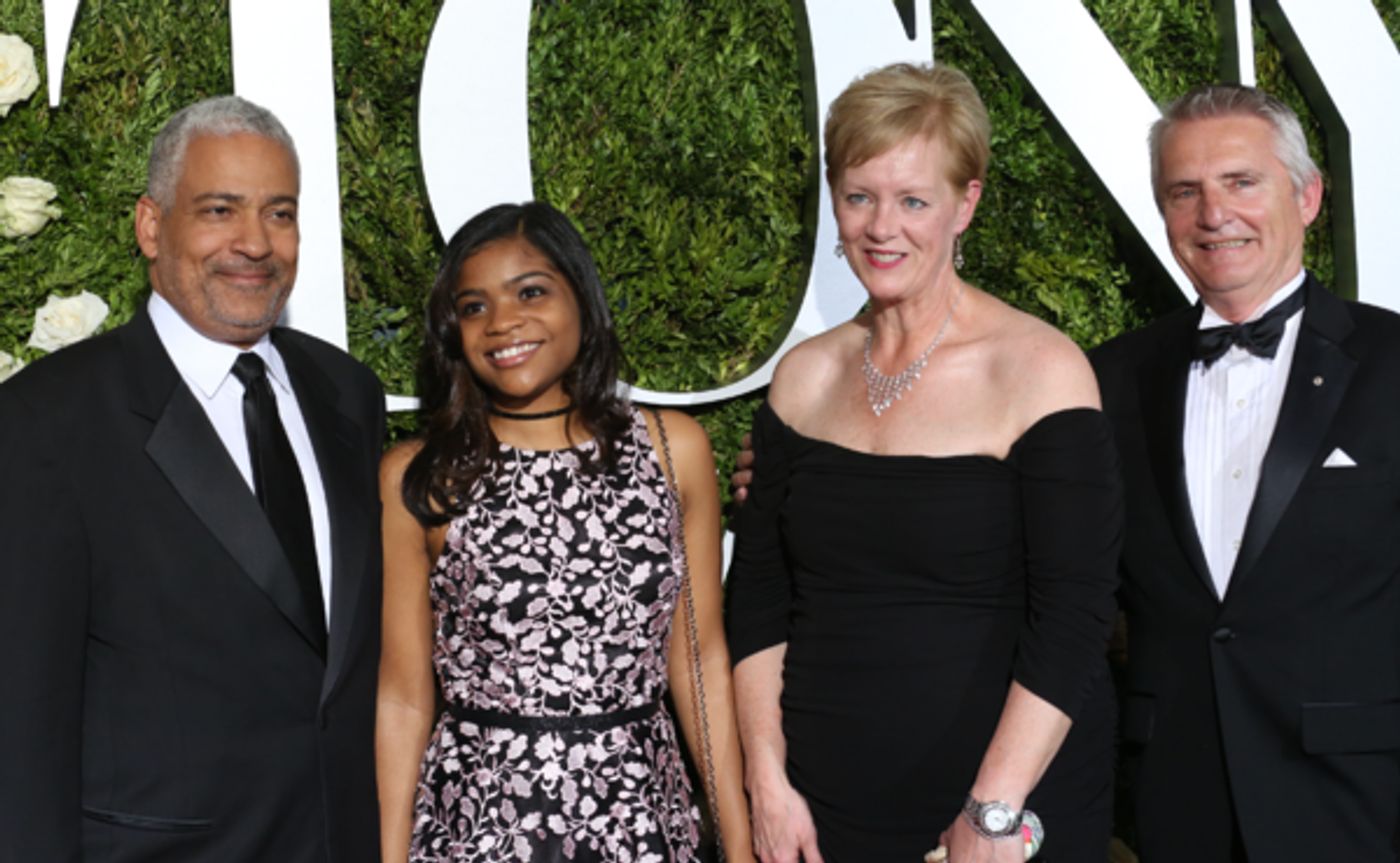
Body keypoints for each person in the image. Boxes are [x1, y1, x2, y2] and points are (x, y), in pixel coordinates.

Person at [724, 63, 1122, 863]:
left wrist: (994, 811)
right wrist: (766, 783)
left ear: (965, 204)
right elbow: (760, 598)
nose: (881, 228)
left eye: (913, 200)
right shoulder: (805, 377)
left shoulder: (1039, 370)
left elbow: (1074, 620)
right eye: (859, 195)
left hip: (993, 816)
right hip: (817, 810)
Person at [0, 96, 385, 860]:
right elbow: (22, 724)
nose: (254, 243)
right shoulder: (46, 420)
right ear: (151, 225)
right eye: (220, 209)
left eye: (280, 213)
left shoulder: (347, 393)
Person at [375, 201, 754, 863]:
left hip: (640, 824)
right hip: (479, 830)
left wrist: (741, 846)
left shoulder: (671, 448)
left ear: (582, 297)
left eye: (530, 292)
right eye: (473, 307)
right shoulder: (422, 475)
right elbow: (405, 697)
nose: (502, 323)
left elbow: (697, 661)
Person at [1090, 83, 1400, 862]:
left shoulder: (1395, 361)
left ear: (1309, 196)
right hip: (1176, 797)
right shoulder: (1106, 379)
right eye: (1184, 191)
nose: (1212, 214)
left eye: (1240, 182)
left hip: (1361, 803)